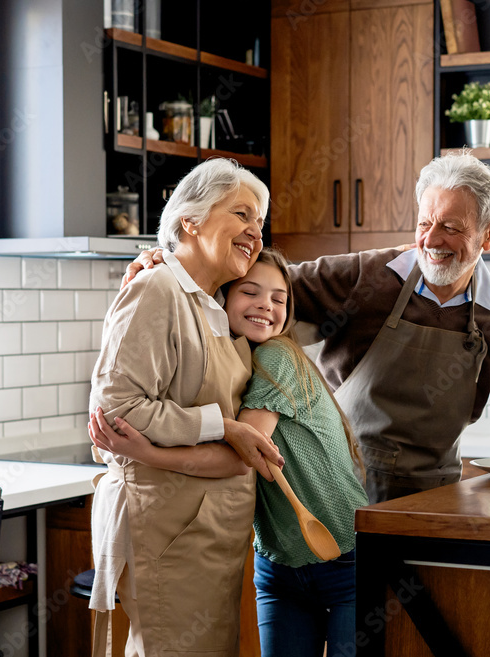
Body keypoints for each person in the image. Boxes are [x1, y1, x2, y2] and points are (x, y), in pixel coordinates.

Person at [123, 152, 490, 503]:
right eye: (426, 222)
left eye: (452, 227)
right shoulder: (367, 276)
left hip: (432, 499)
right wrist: (169, 264)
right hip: (339, 490)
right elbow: (252, 289)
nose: (433, 239)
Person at [90, 248, 369, 657]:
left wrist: (145, 453)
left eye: (278, 298)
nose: (265, 306)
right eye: (250, 292)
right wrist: (154, 265)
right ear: (220, 298)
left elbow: (243, 458)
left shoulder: (276, 357)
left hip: (342, 556)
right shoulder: (232, 360)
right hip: (277, 564)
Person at [88, 158, 283, 657]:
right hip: (168, 530)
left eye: (259, 222)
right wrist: (225, 427)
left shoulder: (213, 302)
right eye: (242, 214)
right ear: (189, 221)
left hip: (207, 533)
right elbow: (120, 409)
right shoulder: (156, 289)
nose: (254, 232)